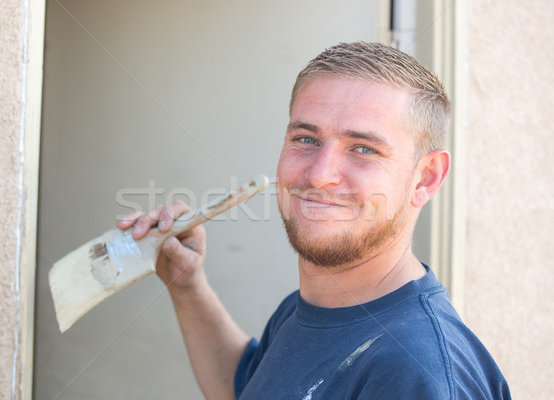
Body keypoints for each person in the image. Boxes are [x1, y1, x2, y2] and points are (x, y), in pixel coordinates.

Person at [118, 42, 510, 399]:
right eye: (306, 139)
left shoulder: (416, 374)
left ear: (425, 177)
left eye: (363, 148)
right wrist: (186, 285)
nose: (320, 174)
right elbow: (248, 390)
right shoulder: (307, 308)